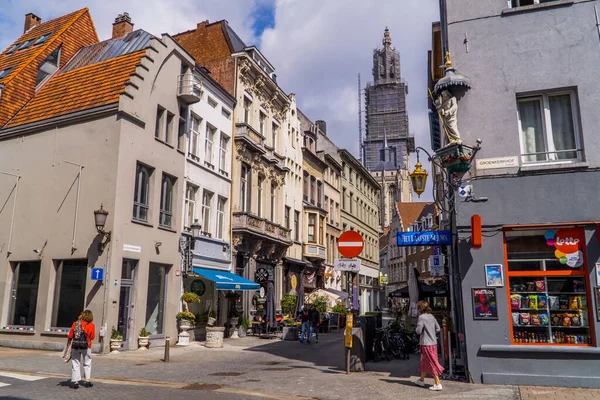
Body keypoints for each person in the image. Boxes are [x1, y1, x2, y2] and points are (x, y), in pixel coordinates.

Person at [413, 301, 443, 391]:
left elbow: (418, 331)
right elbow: (438, 328)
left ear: (420, 308)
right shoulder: (431, 316)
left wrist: (417, 328)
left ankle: (438, 383)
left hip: (426, 343)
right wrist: (431, 333)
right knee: (425, 362)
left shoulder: (421, 317)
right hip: (433, 343)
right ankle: (421, 380)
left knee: (431, 362)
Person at [67, 310, 96, 389]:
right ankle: (87, 381)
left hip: (75, 346)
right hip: (86, 346)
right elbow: (92, 337)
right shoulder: (91, 325)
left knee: (75, 363)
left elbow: (70, 335)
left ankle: (75, 382)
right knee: (87, 363)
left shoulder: (75, 324)